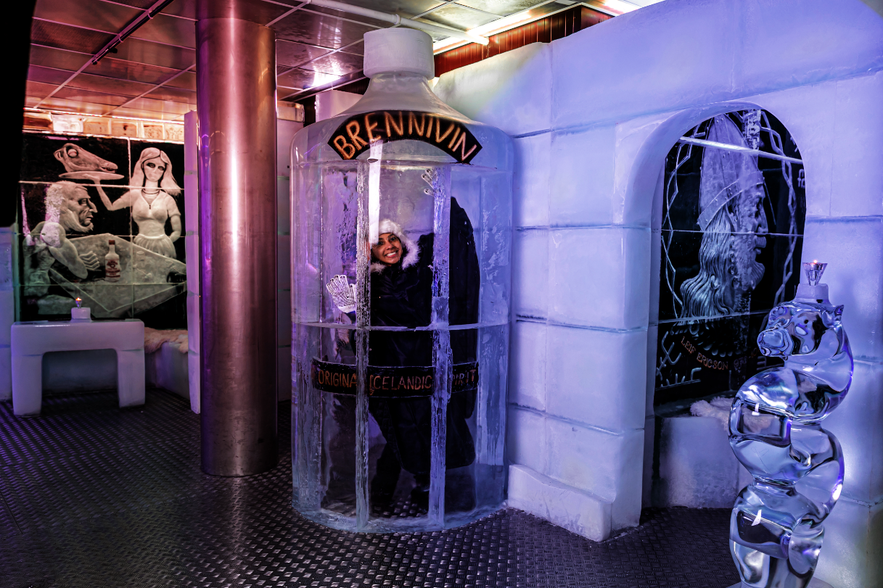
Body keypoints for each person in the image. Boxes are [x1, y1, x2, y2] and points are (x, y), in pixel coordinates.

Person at [344, 198, 479, 509]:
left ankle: (426, 490)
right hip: (394, 371)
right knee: (400, 433)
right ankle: (382, 495)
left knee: (431, 427)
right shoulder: (368, 285)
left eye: (393, 238)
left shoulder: (420, 271)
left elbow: (451, 243)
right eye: (379, 243)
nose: (389, 246)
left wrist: (448, 203)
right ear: (370, 251)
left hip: (425, 367)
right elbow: (363, 333)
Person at [93, 147, 182, 258]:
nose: (155, 171)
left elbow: (177, 230)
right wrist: (97, 184)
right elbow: (110, 207)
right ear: (142, 165)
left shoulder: (167, 199)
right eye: (151, 165)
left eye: (161, 168)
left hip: (163, 246)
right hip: (140, 244)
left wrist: (166, 242)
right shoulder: (134, 195)